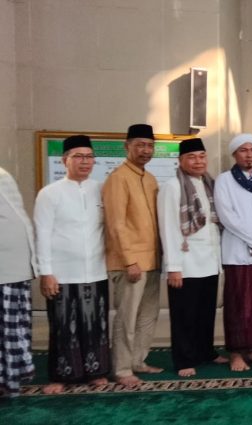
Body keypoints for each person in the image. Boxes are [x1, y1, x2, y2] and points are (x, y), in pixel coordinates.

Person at [34, 135, 110, 394]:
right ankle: (61, 375)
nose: (85, 162)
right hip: (62, 273)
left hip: (96, 271)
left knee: (95, 324)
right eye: (78, 156)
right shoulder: (49, 193)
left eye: (89, 157)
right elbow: (42, 234)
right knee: (63, 326)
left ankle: (96, 372)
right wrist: (46, 272)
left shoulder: (101, 189)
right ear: (64, 160)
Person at [157, 138, 226, 377]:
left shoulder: (209, 183)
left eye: (202, 156)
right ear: (180, 160)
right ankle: (184, 359)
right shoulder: (172, 186)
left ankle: (205, 352)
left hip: (209, 261)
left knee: (206, 312)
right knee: (184, 315)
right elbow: (168, 228)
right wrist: (173, 266)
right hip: (186, 264)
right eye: (192, 157)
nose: (198, 161)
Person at [103, 123, 163, 387]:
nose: (145, 150)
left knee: (148, 315)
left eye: (149, 145)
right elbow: (116, 224)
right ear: (126, 146)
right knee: (127, 317)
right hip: (130, 263)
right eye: (140, 145)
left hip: (152, 260)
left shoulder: (150, 179)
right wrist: (130, 260)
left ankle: (138, 360)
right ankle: (122, 368)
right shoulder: (118, 178)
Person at [214, 133, 252, 372]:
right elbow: (227, 217)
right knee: (238, 305)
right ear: (234, 154)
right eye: (243, 150)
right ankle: (236, 353)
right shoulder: (224, 180)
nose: (249, 155)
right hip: (237, 254)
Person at [0, 166, 37, 397]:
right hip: (12, 267)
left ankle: (8, 380)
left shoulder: (2, 176)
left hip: (10, 268)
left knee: (9, 329)